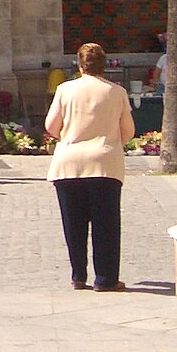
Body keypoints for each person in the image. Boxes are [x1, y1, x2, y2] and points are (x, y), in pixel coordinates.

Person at [44, 42, 134, 292]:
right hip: (104, 162)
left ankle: (78, 275)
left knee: (73, 223)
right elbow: (128, 132)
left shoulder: (65, 89)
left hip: (68, 162)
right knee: (106, 223)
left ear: (80, 64)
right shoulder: (116, 92)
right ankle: (105, 278)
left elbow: (51, 126)